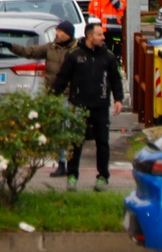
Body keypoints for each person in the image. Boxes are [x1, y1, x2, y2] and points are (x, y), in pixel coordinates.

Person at [0, 20, 77, 177]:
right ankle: (61, 163)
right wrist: (11, 46)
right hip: (53, 94)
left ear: (68, 34)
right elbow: (30, 51)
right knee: (56, 129)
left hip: (70, 95)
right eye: (56, 31)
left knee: (67, 128)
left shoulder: (76, 50)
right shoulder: (50, 48)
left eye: (60, 32)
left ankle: (71, 164)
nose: (57, 34)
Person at [51, 23, 124, 192]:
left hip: (101, 106)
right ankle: (72, 175)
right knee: (76, 142)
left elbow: (115, 79)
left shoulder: (108, 56)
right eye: (100, 35)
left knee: (102, 143)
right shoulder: (75, 55)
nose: (103, 38)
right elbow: (62, 78)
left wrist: (118, 99)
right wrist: (52, 97)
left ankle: (103, 177)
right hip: (79, 106)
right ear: (90, 36)